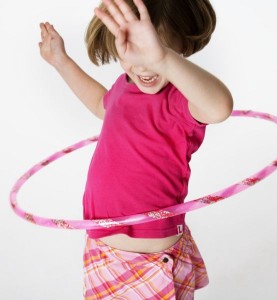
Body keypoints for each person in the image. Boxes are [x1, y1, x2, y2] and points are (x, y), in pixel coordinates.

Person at [39, 0, 233, 298]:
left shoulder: (181, 101)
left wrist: (163, 60)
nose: (143, 65)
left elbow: (219, 108)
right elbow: (100, 105)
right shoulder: (123, 86)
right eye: (133, 49)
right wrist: (61, 62)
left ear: (179, 48)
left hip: (151, 260)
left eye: (154, 52)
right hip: (102, 252)